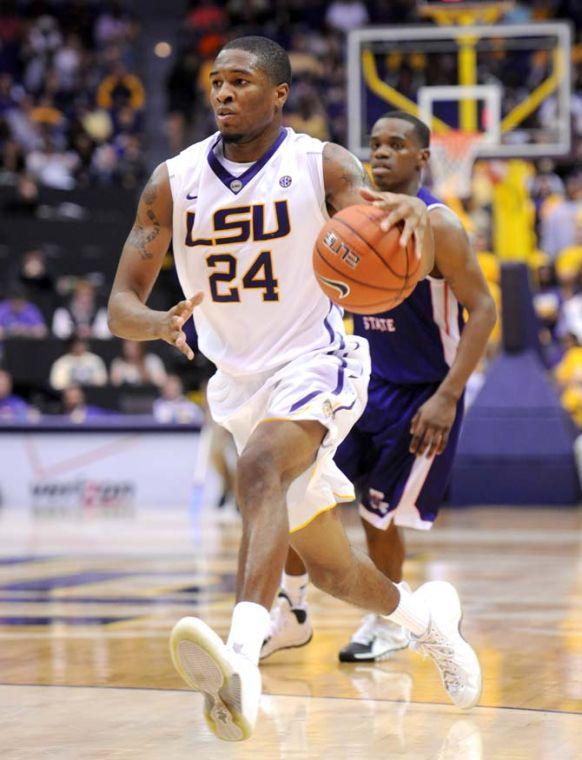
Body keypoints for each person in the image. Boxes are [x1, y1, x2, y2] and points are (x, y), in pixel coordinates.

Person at [107, 38, 481, 742]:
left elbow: (391, 223)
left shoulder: (321, 163)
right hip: (239, 382)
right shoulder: (173, 181)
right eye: (216, 81)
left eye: (240, 81)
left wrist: (413, 223)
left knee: (256, 472)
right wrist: (157, 321)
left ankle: (242, 657)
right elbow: (118, 304)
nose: (223, 92)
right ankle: (427, 619)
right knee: (337, 571)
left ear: (278, 93)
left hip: (319, 360)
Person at [261, 112, 497, 663]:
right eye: (375, 144)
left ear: (423, 157)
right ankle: (292, 609)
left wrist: (447, 398)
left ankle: (389, 624)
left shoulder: (439, 226)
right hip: (364, 380)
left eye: (398, 144)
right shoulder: (350, 213)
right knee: (300, 487)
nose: (382, 152)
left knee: (378, 513)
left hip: (424, 393)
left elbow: (483, 311)